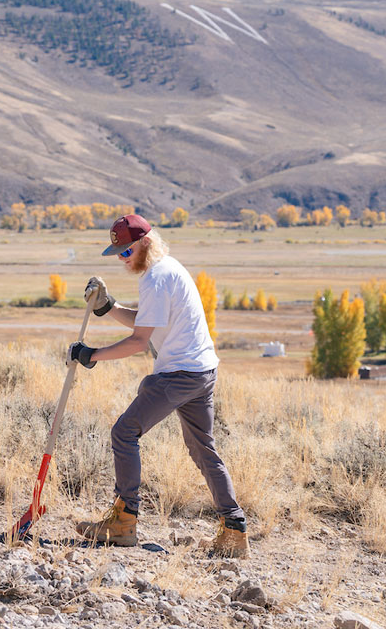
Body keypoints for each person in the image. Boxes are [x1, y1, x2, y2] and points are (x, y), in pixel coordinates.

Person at [69, 214, 249, 558]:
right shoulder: (169, 269)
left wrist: (92, 355)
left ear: (145, 244)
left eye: (126, 253)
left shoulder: (155, 279)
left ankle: (123, 521)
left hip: (178, 375)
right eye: (118, 254)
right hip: (202, 372)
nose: (123, 260)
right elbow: (146, 320)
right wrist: (109, 308)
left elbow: (139, 341)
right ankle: (234, 529)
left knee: (124, 432)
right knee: (202, 449)